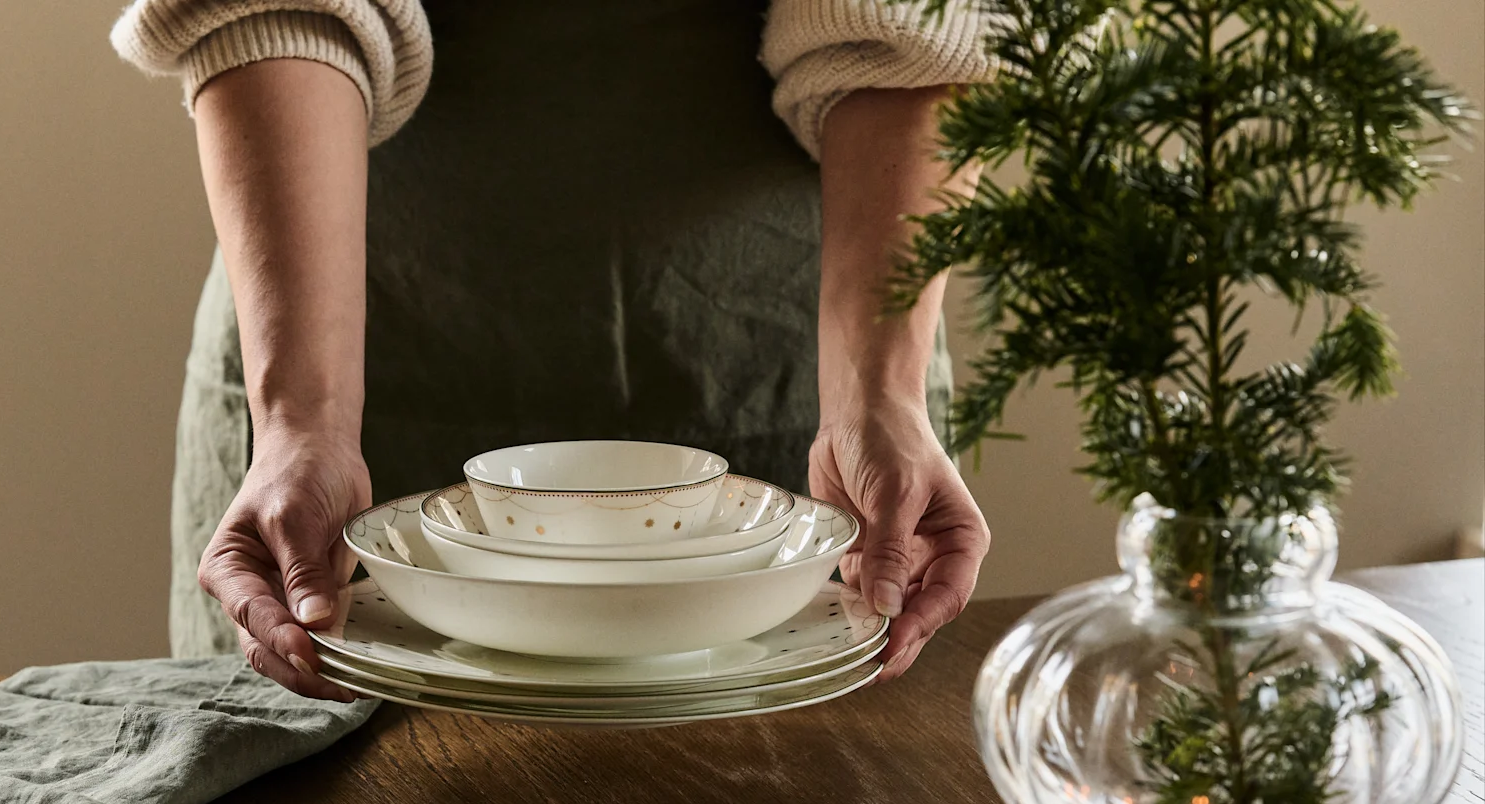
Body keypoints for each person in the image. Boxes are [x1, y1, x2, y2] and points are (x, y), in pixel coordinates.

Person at [113, 0, 992, 701]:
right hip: (347, 355)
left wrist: (879, 397)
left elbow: (909, 30)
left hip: (796, 373)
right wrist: (302, 421)